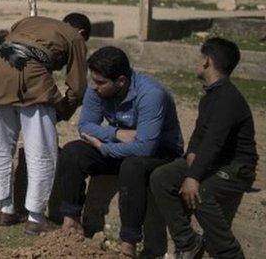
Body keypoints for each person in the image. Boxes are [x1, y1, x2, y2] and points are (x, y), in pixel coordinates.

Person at [57, 46, 183, 257]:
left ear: (121, 81)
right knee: (73, 152)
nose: (94, 87)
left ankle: (129, 242)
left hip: (160, 152)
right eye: (93, 80)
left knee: (132, 166)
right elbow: (85, 126)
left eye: (100, 83)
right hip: (121, 145)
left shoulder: (151, 95)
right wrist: (117, 134)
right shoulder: (98, 88)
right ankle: (71, 221)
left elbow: (145, 147)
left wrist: (105, 147)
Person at [0, 12, 91, 234]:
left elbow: (11, 41)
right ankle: (36, 217)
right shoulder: (75, 36)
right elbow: (78, 88)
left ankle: (5, 208)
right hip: (31, 77)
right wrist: (61, 110)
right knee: (41, 151)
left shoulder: (28, 20)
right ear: (82, 32)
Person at [150, 38, 258, 259]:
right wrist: (190, 155)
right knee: (162, 177)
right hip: (214, 160)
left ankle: (229, 253)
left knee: (200, 192)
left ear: (207, 61)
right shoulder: (212, 94)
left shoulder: (227, 98)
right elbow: (200, 135)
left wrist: (193, 176)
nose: (197, 62)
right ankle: (187, 242)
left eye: (199, 57)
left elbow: (214, 142)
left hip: (236, 167)